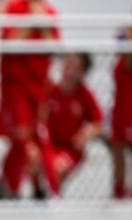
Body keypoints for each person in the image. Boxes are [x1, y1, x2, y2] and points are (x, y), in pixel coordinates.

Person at [0, 0, 60, 199]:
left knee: (40, 136)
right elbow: (8, 44)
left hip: (39, 86)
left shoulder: (49, 11)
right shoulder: (14, 8)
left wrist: (43, 23)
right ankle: (11, 187)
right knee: (21, 136)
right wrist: (32, 21)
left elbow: (54, 47)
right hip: (16, 85)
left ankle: (42, 188)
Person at [34, 52, 103, 199]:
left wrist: (87, 133)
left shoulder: (84, 95)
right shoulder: (51, 91)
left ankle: (53, 198)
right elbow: (40, 118)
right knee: (34, 159)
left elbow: (98, 122)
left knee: (58, 167)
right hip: (50, 145)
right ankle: (39, 196)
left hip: (71, 149)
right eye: (68, 64)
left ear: (83, 73)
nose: (70, 71)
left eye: (76, 68)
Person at [111, 4, 132, 200]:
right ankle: (119, 193)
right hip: (121, 99)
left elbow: (130, 61)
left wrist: (131, 33)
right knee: (117, 146)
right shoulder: (129, 28)